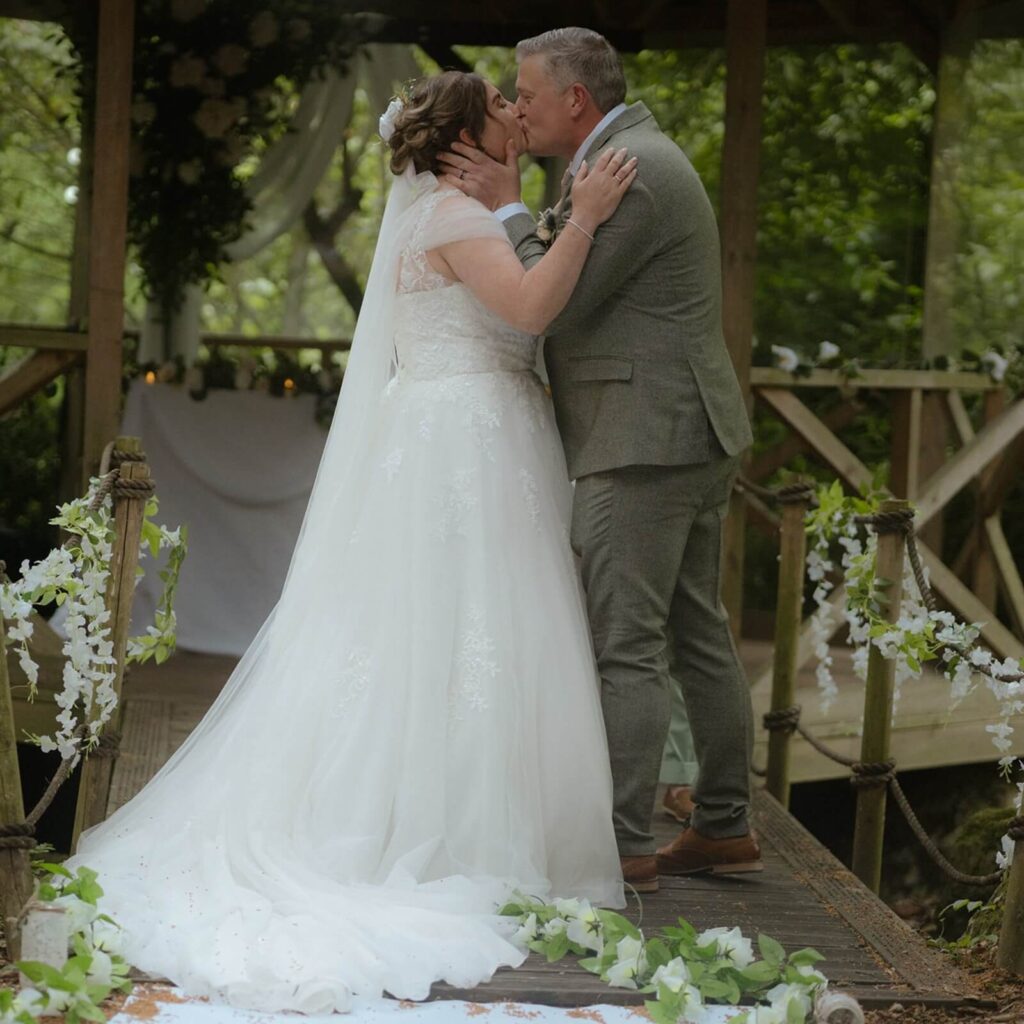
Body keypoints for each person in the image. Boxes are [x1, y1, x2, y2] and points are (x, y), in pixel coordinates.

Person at [67, 71, 636, 1014]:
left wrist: (529, 211)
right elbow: (531, 310)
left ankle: (480, 808)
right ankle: (448, 828)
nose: (516, 114)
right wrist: (586, 216)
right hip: (467, 448)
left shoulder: (457, 213)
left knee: (476, 630)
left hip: (476, 438)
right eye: (502, 107)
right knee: (469, 624)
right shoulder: (454, 222)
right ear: (465, 136)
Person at [440, 28, 761, 893]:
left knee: (628, 644)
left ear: (573, 100)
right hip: (675, 431)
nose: (519, 106)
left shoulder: (633, 171)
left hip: (645, 439)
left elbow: (560, 301)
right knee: (696, 630)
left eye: (528, 92)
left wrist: (511, 208)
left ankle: (623, 844)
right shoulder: (622, 156)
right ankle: (724, 825)